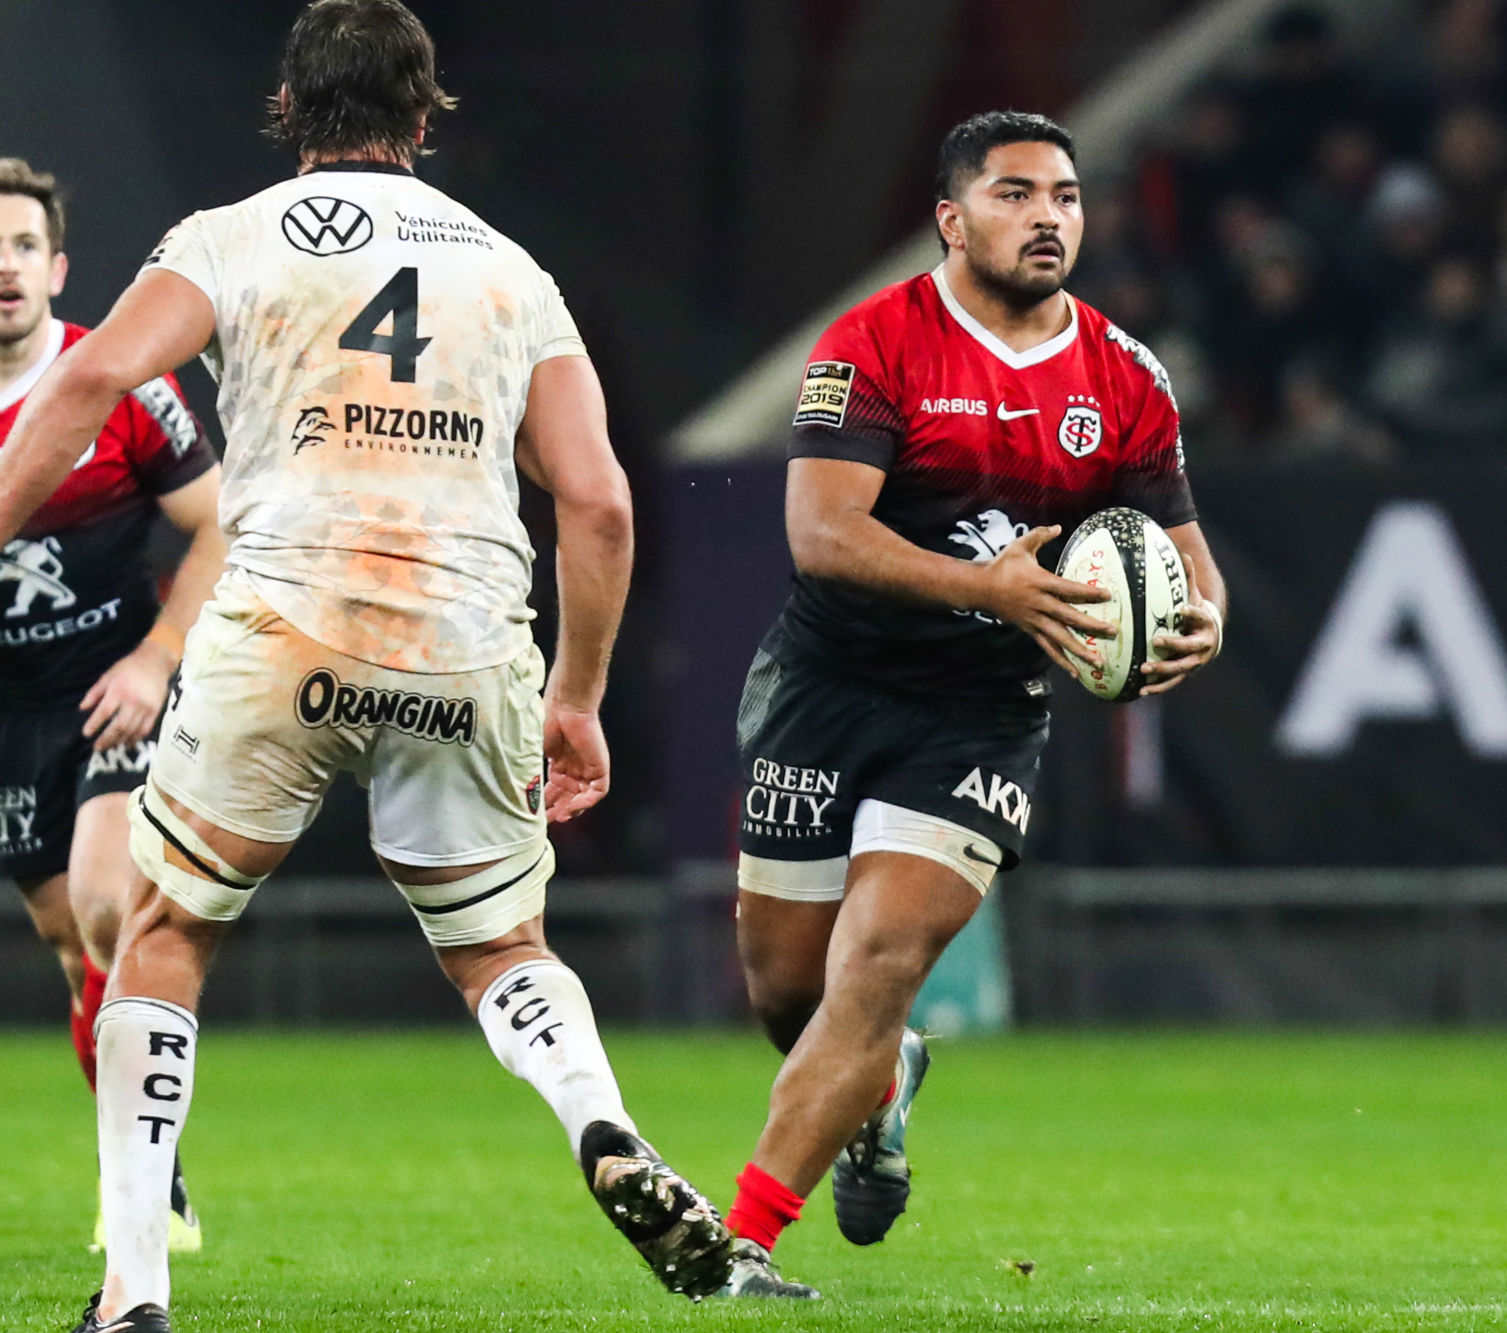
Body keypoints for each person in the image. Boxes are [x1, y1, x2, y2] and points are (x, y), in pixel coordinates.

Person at [0, 5, 731, 1329]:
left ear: (287, 108)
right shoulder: (514, 273)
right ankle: (604, 1124)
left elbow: (88, 379)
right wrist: (573, 698)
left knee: (163, 937)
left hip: (283, 626)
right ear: (426, 113)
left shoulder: (225, 239)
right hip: (462, 638)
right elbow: (601, 504)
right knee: (503, 947)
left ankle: (135, 1294)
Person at [718, 110, 1227, 1299]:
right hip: (829, 687)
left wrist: (1201, 623)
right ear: (951, 218)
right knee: (789, 991)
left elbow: (1192, 564)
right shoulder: (873, 344)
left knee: (882, 957)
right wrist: (991, 585)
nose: (1048, 216)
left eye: (1064, 194)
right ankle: (883, 1084)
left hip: (978, 712)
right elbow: (822, 535)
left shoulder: (1125, 376)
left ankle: (738, 1243)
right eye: (1013, 194)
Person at [0, 157, 223, 1255]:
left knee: (103, 903)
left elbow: (220, 523)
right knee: (64, 936)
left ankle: (140, 1186)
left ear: (58, 266)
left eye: (23, 246)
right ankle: (150, 1157)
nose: (4, 266)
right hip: (7, 713)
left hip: (110, 693)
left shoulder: (119, 382)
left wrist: (160, 656)